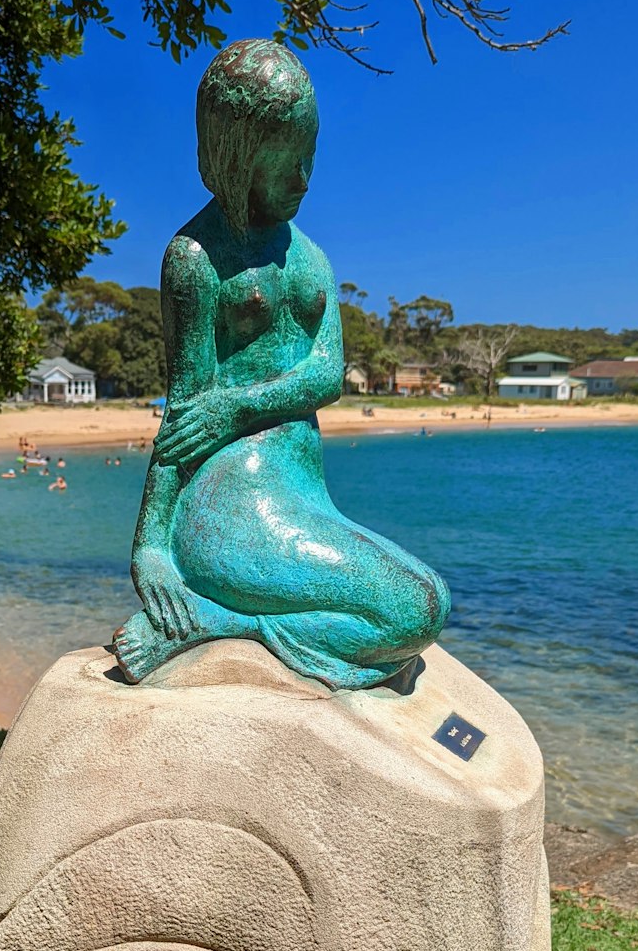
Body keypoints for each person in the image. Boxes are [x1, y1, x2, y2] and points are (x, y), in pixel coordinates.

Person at [113, 38, 449, 690]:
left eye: (309, 156)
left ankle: (224, 622)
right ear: (238, 155)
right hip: (225, 505)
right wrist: (150, 547)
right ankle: (224, 615)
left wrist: (238, 405)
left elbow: (329, 373)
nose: (303, 179)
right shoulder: (196, 258)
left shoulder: (311, 257)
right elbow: (183, 408)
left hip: (300, 499)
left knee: (429, 600)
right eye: (286, 160)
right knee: (416, 611)